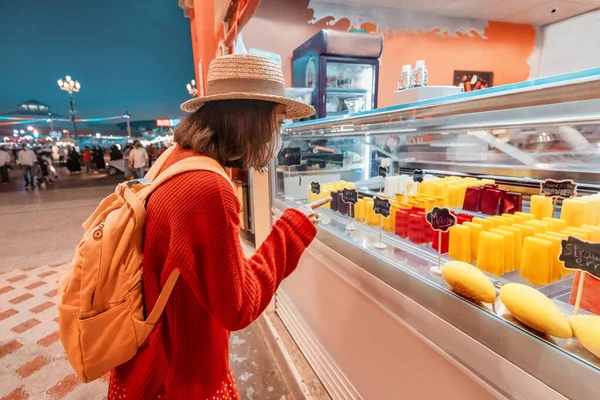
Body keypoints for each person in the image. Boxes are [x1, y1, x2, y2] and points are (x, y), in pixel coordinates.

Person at [108, 54, 324, 400]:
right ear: (253, 120)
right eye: (278, 122)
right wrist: (290, 232)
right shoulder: (208, 188)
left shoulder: (176, 157)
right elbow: (237, 305)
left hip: (146, 356)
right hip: (180, 373)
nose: (278, 134)